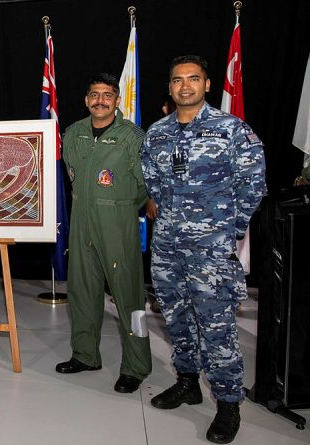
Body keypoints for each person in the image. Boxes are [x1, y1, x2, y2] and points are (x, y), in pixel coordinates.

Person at [141, 55, 266, 444]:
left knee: (217, 327)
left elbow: (253, 184)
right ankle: (188, 382)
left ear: (208, 84)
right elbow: (153, 185)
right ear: (170, 87)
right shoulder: (157, 133)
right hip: (167, 247)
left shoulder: (232, 130)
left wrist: (229, 228)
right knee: (176, 319)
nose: (185, 86)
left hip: (210, 251)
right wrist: (172, 222)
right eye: (177, 80)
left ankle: (228, 403)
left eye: (193, 79)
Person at [55, 73, 152, 394]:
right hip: (81, 221)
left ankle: (137, 366)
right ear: (86, 100)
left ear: (116, 100)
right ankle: (85, 355)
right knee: (81, 292)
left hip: (118, 223)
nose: (100, 100)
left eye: (107, 95)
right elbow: (71, 172)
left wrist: (119, 206)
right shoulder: (73, 133)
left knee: (130, 298)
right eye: (94, 95)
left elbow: (144, 186)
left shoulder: (133, 137)